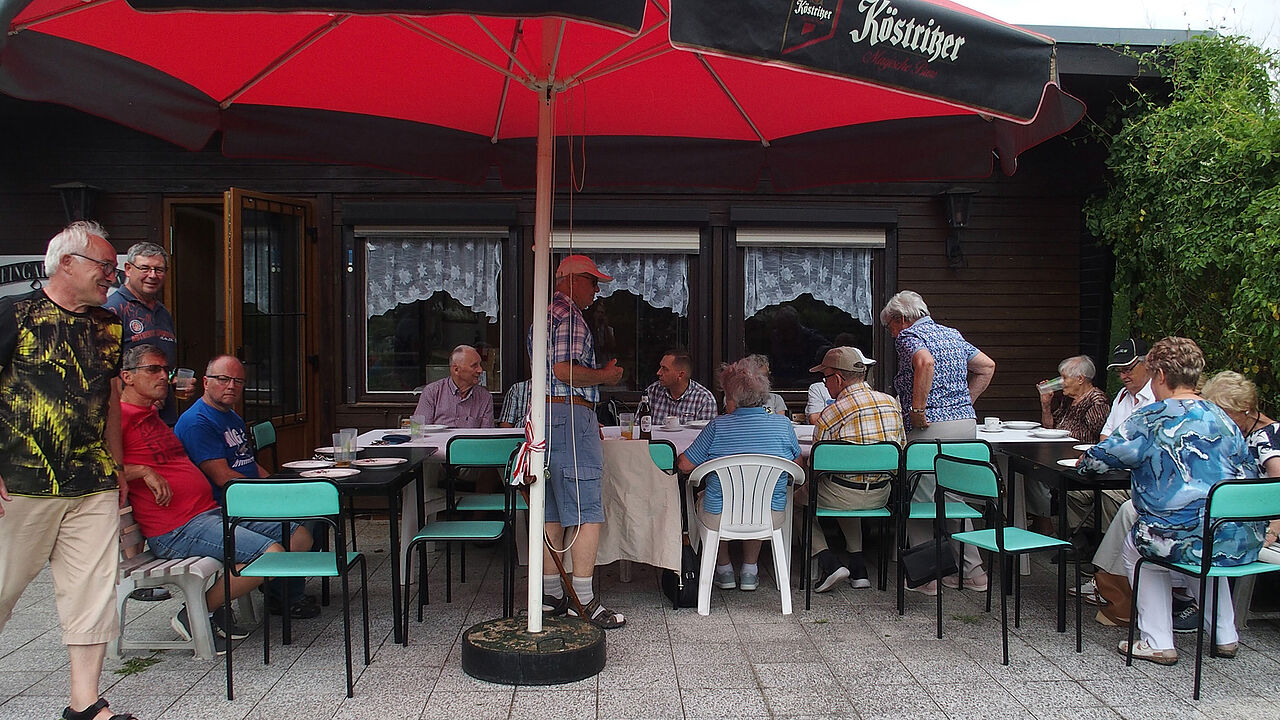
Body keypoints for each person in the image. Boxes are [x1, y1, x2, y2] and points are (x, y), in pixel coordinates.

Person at [0, 221, 131, 720]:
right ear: (67, 263)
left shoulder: (109, 325)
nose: (113, 275)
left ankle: (85, 704)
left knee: (91, 592)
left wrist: (117, 463)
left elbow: (111, 397)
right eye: (105, 265)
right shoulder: (15, 315)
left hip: (91, 480)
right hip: (21, 481)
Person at [117, 344, 316, 652]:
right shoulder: (118, 418)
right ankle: (195, 613)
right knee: (272, 555)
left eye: (165, 370)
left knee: (299, 536)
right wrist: (142, 471)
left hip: (207, 513)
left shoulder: (151, 414)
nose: (164, 377)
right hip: (176, 527)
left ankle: (236, 603)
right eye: (153, 370)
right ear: (127, 377)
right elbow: (94, 467)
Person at [1079, 337, 1260, 665]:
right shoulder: (1222, 417)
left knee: (1140, 546)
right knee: (1201, 540)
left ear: (1160, 375)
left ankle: (1158, 641)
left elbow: (1099, 460)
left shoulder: (1151, 417)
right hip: (1234, 536)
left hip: (1178, 536)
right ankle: (1225, 636)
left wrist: (1087, 461)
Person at [175, 354, 318, 620]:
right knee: (300, 527)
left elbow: (249, 465)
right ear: (205, 382)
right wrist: (268, 496)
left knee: (313, 512)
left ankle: (282, 591)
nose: (231, 386)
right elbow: (223, 477)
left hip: (246, 497)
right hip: (224, 506)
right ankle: (282, 597)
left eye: (238, 381)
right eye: (223, 379)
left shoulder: (231, 416)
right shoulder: (197, 421)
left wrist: (277, 487)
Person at [880, 290, 995, 594]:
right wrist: (963, 404)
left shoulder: (909, 336)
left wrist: (918, 410)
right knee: (953, 499)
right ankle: (973, 573)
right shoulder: (952, 334)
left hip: (930, 428)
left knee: (918, 497)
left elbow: (925, 362)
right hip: (964, 426)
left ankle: (927, 577)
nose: (891, 333)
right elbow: (986, 367)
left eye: (890, 326)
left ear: (901, 319)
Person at [536, 255, 626, 628]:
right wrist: (605, 376)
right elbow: (564, 370)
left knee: (552, 510)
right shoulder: (571, 317)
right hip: (571, 415)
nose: (597, 290)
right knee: (587, 511)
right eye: (593, 281)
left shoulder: (543, 315)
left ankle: (550, 595)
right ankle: (583, 600)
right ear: (572, 280)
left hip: (545, 415)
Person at [677, 359, 801, 592]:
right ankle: (750, 571)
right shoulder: (783, 425)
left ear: (731, 397)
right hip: (770, 515)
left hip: (719, 515)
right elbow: (797, 466)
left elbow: (684, 465)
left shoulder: (717, 426)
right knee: (757, 499)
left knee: (709, 497)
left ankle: (724, 570)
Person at [805, 347, 904, 591]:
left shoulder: (832, 412)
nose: (825, 383)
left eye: (825, 377)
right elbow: (901, 448)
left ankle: (828, 562)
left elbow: (816, 464)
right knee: (843, 488)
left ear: (838, 379)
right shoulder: (891, 403)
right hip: (882, 495)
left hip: (843, 494)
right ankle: (858, 568)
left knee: (793, 499)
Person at [1062, 339, 1154, 551]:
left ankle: (1111, 550)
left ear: (1147, 365)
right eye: (1119, 371)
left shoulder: (1157, 400)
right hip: (1114, 470)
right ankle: (1087, 543)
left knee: (1107, 494)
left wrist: (1114, 453)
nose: (1123, 376)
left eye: (1128, 369)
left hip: (1137, 477)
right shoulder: (1122, 396)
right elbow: (1106, 434)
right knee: (1072, 488)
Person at [1026, 355, 1110, 535]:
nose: (1061, 382)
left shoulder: (1096, 401)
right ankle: (1042, 520)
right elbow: (1049, 428)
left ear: (1080, 379)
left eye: (1064, 377)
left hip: (1076, 457)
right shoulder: (1069, 399)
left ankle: (1046, 524)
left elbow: (1099, 437)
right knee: (1030, 468)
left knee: (1037, 472)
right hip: (1058, 452)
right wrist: (1045, 405)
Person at [104, 242, 178, 426]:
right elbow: (104, 373)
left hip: (164, 419)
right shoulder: (111, 310)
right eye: (145, 268)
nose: (152, 275)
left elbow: (164, 365)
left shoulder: (163, 313)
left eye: (159, 270)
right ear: (128, 269)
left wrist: (173, 381)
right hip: (130, 421)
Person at [413, 344, 494, 428]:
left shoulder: (485, 397)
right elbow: (420, 429)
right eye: (474, 366)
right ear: (456, 369)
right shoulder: (432, 392)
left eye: (480, 365)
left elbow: (487, 434)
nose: (480, 370)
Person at [644, 349, 717, 422]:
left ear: (680, 375)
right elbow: (640, 425)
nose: (658, 373)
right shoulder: (652, 392)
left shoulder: (704, 399)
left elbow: (709, 429)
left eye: (665, 369)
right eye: (660, 367)